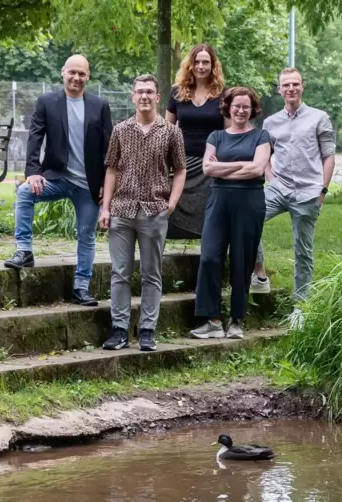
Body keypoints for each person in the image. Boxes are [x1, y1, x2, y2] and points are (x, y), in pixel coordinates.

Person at [4, 55, 113, 306]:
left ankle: (81, 288)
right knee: (24, 192)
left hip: (88, 185)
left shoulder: (100, 106)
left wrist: (107, 190)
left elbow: (110, 151)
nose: (76, 78)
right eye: (72, 72)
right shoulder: (46, 102)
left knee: (86, 235)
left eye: (81, 74)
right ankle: (24, 251)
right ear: (63, 72)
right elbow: (35, 138)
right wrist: (33, 172)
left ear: (88, 76)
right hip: (57, 176)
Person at [99, 74, 187, 352]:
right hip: (122, 210)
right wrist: (105, 206)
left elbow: (181, 169)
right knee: (120, 272)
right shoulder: (120, 130)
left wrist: (171, 202)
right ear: (133, 97)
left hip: (154, 210)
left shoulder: (171, 132)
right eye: (140, 92)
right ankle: (119, 329)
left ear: (158, 97)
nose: (145, 96)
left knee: (152, 273)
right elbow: (111, 168)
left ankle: (147, 330)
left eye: (150, 91)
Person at [250, 67, 335, 327]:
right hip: (279, 188)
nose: (290, 89)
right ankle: (260, 275)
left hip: (309, 192)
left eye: (295, 84)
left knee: (303, 251)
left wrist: (322, 190)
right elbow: (264, 154)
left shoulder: (319, 118)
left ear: (302, 86)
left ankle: (301, 306)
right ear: (279, 89)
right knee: (247, 220)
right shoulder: (271, 122)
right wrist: (270, 177)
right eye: (285, 85)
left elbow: (329, 156)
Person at [189, 87, 271, 340]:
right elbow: (207, 169)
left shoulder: (261, 136)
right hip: (219, 201)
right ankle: (212, 320)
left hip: (249, 202)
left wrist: (223, 166)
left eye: (246, 106)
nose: (241, 110)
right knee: (210, 257)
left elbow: (258, 170)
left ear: (253, 109)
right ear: (228, 107)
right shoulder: (216, 136)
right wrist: (241, 164)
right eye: (237, 105)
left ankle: (236, 320)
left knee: (242, 260)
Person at [165, 43, 228, 239]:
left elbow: (228, 132)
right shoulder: (177, 92)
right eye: (197, 62)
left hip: (211, 164)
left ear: (213, 65)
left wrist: (223, 161)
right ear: (190, 65)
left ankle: (214, 251)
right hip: (182, 163)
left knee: (220, 212)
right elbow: (167, 131)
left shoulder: (223, 94)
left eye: (206, 62)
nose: (201, 66)